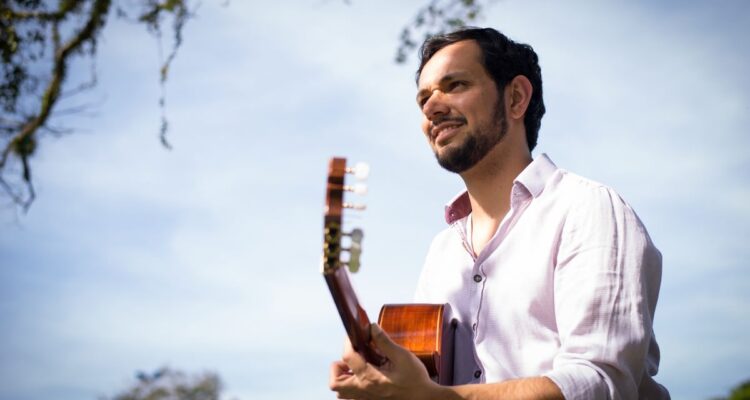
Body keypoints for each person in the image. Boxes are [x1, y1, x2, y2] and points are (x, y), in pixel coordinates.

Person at [329, 27, 669, 400]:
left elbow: (601, 383)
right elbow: (422, 386)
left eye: (454, 85)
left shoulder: (587, 209)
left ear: (516, 98)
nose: (431, 107)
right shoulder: (441, 253)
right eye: (423, 98)